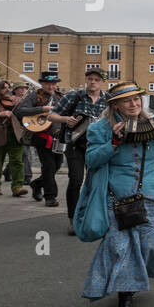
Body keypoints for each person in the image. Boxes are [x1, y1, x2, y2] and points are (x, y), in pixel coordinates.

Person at [75, 82, 154, 307]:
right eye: (127, 100)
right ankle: (125, 294)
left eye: (137, 99)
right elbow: (91, 160)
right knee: (119, 246)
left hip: (149, 192)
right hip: (115, 195)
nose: (134, 104)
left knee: (148, 246)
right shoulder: (100, 128)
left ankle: (134, 281)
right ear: (115, 105)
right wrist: (113, 142)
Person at [49, 68, 109, 234]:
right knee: (75, 180)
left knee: (97, 181)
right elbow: (51, 116)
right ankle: (73, 219)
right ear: (86, 80)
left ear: (102, 82)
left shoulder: (109, 100)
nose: (93, 82)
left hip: (98, 145)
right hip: (75, 144)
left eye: (97, 79)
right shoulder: (74, 96)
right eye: (90, 79)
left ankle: (93, 216)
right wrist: (66, 119)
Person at [14, 71, 64, 207]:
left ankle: (37, 184)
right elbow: (20, 111)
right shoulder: (33, 96)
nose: (51, 87)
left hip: (59, 137)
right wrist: (42, 108)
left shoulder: (60, 97)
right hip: (42, 136)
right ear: (42, 84)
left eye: (53, 84)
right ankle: (50, 196)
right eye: (48, 84)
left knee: (57, 166)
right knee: (48, 167)